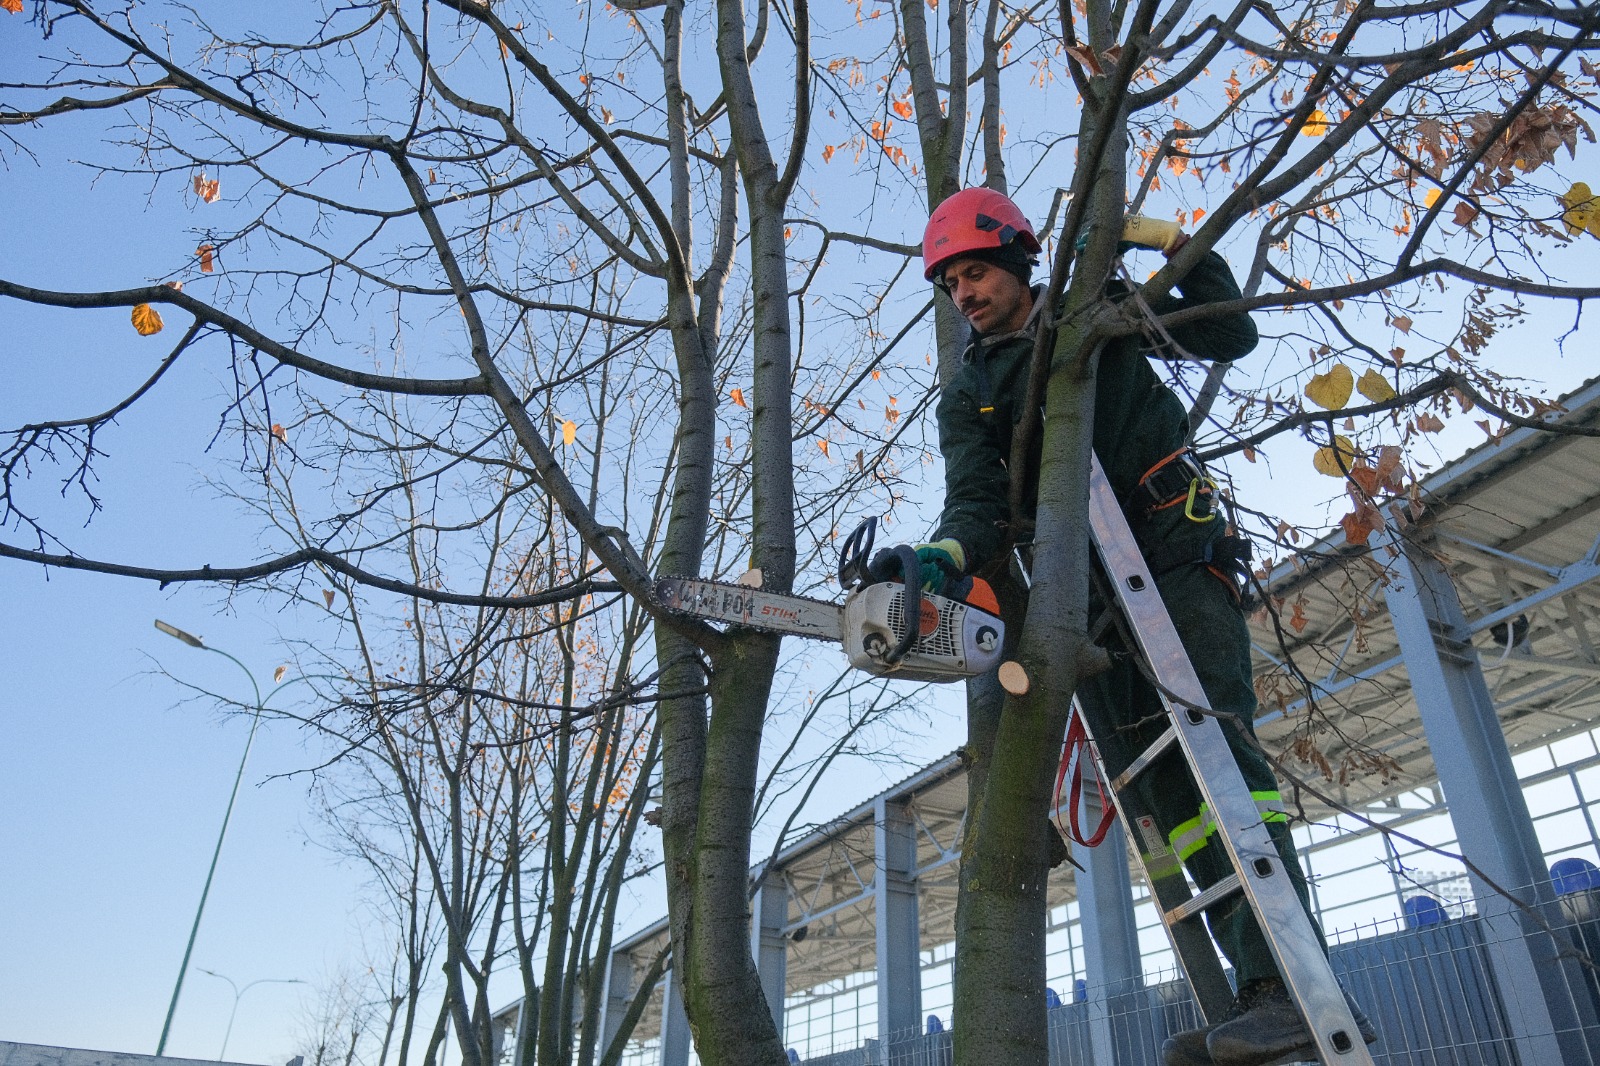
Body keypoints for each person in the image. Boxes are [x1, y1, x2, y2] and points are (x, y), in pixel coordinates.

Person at [912, 187, 1373, 1066]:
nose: (964, 294)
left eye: (976, 273)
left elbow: (1227, 329)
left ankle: (1290, 985)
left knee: (1223, 769)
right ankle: (1254, 987)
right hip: (1086, 604)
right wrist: (944, 553)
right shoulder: (972, 389)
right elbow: (974, 499)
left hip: (1169, 556)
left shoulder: (1100, 309)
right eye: (952, 284)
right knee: (1171, 802)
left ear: (1016, 261)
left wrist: (1158, 240)